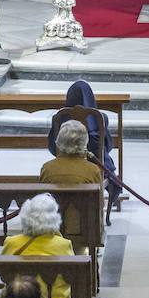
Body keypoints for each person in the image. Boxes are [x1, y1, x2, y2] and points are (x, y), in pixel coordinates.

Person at [47, 80, 120, 208]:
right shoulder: (100, 117)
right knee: (108, 166)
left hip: (62, 162)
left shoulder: (59, 117)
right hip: (95, 163)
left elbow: (53, 147)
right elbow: (108, 146)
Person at [1, 193, 75, 298]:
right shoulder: (63, 244)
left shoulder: (12, 242)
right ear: (54, 219)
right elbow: (70, 277)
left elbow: (4, 273)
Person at [40, 121, 103, 187]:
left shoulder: (47, 169)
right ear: (85, 142)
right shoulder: (93, 171)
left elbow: (42, 192)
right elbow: (99, 193)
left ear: (59, 140)